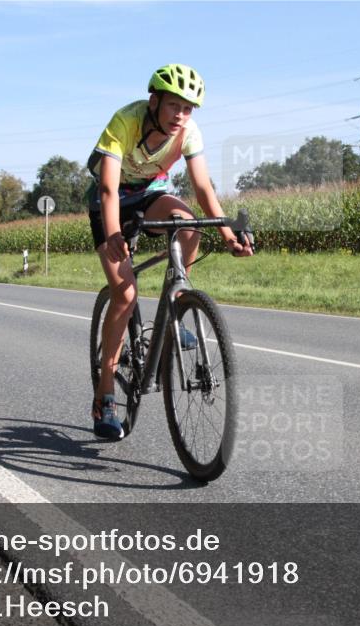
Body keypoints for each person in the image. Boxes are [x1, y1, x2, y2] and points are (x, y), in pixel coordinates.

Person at [88, 63, 253, 440]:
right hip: (109, 203)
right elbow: (110, 190)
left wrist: (229, 237)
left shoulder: (188, 132)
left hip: (150, 195)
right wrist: (114, 233)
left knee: (188, 222)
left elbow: (203, 188)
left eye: (188, 108)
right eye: (173, 105)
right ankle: (106, 393)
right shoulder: (125, 121)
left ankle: (176, 303)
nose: (180, 115)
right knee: (125, 293)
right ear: (154, 101)